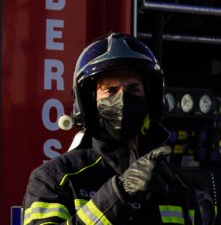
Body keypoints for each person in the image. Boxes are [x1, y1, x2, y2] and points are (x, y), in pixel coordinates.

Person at [22, 32, 211, 224]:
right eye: (110, 90)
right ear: (89, 103)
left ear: (150, 99)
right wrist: (119, 195)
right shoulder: (56, 178)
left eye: (133, 89)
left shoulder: (176, 186)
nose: (123, 99)